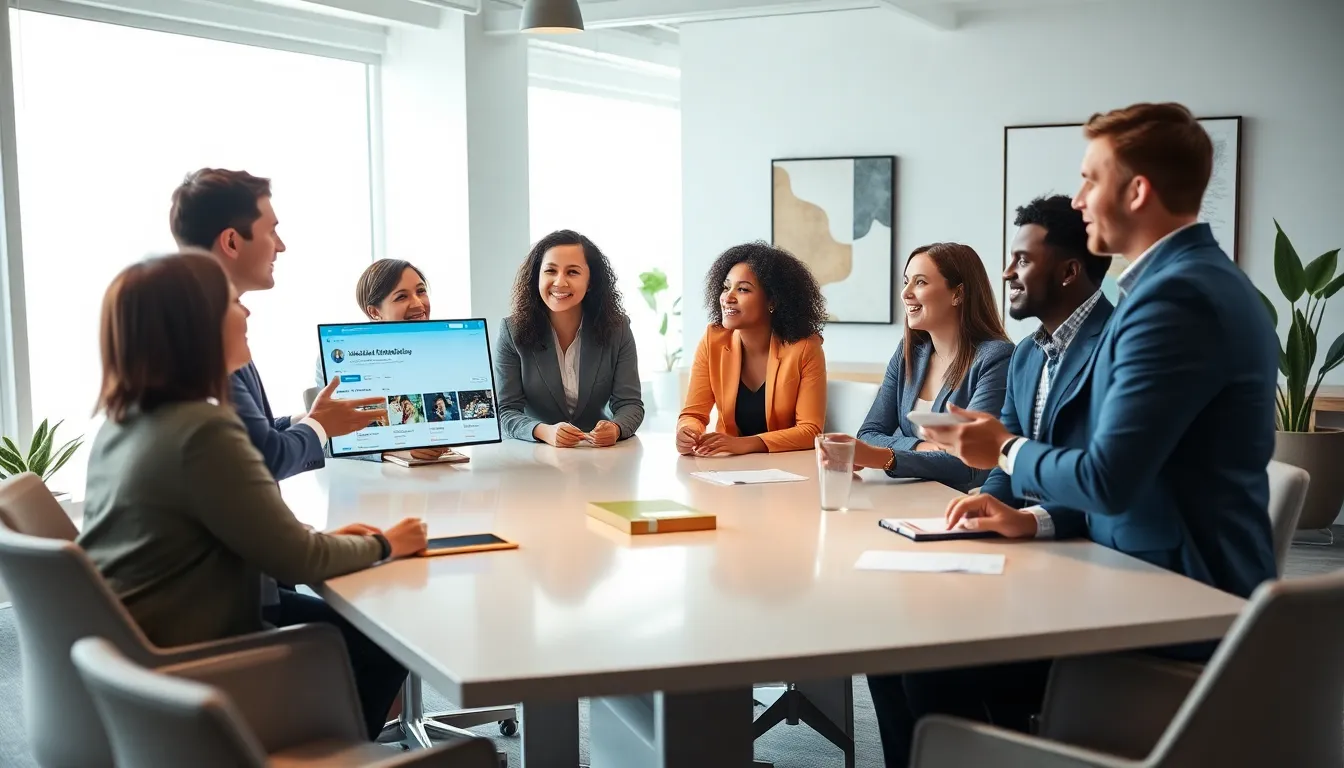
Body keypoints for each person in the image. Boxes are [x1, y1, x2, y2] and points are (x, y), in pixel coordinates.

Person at [901, 103, 1277, 768]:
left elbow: (1108, 478)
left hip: (1171, 609)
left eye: (1089, 179)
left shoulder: (1173, 299)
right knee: (917, 654)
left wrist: (1005, 450)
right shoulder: (1191, 283)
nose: (1079, 200)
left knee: (923, 660)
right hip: (1151, 582)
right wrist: (1026, 514)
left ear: (1136, 191)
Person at [79, 252, 429, 741]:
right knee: (385, 637)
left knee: (358, 626)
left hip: (137, 646)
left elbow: (245, 527)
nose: (246, 312)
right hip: (196, 649)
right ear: (192, 327)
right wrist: (387, 544)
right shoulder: (203, 431)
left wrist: (323, 535)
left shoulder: (128, 420)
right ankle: (334, 753)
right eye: (229, 304)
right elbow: (300, 559)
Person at [862, 197, 1112, 766]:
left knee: (924, 661)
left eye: (1022, 260)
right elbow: (1001, 469)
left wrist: (1021, 506)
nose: (1007, 273)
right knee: (885, 643)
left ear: (1069, 270)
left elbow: (1096, 477)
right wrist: (984, 504)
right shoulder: (1029, 356)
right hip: (1032, 543)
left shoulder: (1112, 345)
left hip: (1081, 561)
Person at [170, 168, 382, 481]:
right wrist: (320, 425)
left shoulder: (215, 323)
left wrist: (311, 419)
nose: (280, 246)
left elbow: (257, 433)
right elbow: (264, 457)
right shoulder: (202, 337)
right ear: (231, 241)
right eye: (271, 231)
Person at [844, 243, 1013, 492]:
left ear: (958, 294)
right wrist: (922, 447)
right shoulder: (909, 352)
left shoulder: (996, 358)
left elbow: (971, 464)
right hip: (909, 492)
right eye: (906, 282)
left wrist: (884, 456)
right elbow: (869, 433)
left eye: (920, 282)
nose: (905, 293)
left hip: (960, 502)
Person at [494, 230, 644, 447]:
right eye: (550, 271)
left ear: (591, 281)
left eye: (572, 272)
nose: (559, 282)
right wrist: (544, 431)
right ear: (537, 277)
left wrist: (615, 427)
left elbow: (630, 404)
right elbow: (505, 412)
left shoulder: (617, 328)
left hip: (598, 456)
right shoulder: (512, 331)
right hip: (534, 457)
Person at [677, 242, 828, 456]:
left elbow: (810, 430)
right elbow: (694, 414)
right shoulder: (713, 341)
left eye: (743, 289)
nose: (727, 298)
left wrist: (744, 444)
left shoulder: (805, 348)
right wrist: (687, 432)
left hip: (788, 468)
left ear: (772, 301)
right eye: (726, 286)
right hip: (729, 469)